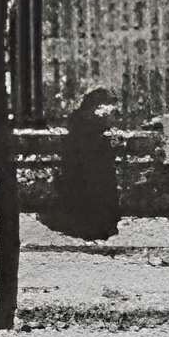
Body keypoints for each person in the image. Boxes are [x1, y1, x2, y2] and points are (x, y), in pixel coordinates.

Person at [37, 87, 125, 243]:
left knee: (91, 193)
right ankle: (95, 226)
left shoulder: (79, 119)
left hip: (85, 165)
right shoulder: (87, 120)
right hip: (86, 165)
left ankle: (94, 225)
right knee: (91, 193)